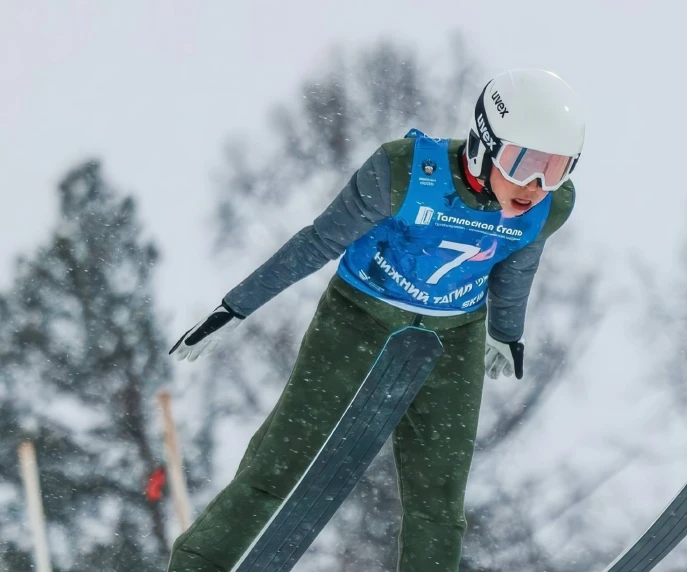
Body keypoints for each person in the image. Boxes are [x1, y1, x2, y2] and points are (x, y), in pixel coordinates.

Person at [166, 68, 585, 572]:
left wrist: (505, 333)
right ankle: (200, 564)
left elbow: (518, 263)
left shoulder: (550, 206)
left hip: (452, 337)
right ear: (485, 143)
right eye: (526, 163)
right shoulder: (403, 172)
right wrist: (236, 306)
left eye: (557, 169)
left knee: (440, 498)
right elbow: (318, 242)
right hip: (359, 319)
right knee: (284, 461)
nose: (537, 186)